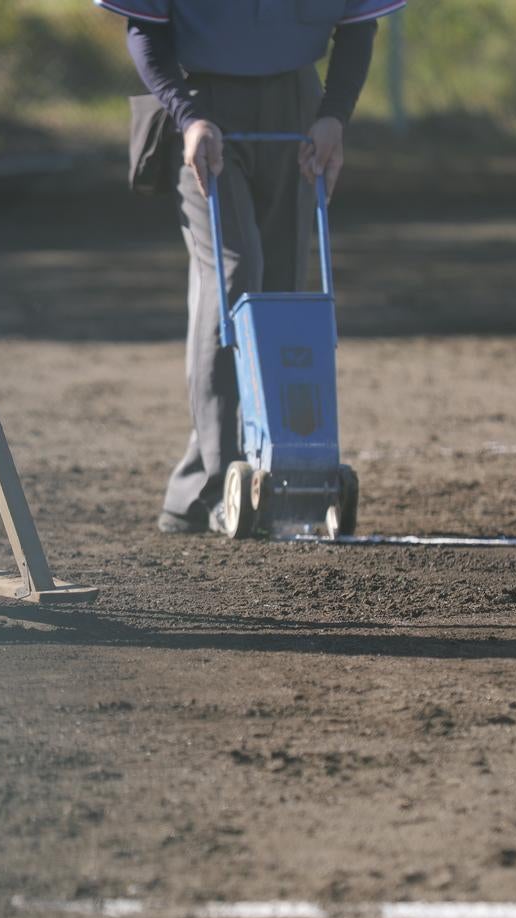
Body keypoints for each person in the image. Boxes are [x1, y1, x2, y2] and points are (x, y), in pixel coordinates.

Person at [97, 0, 404, 534]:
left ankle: (252, 474)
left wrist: (334, 114)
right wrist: (187, 116)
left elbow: (357, 26)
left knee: (282, 290)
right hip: (201, 106)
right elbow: (144, 29)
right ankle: (220, 486)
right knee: (235, 276)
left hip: (298, 105)